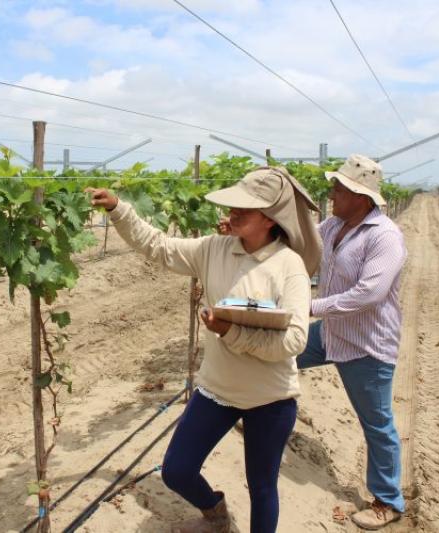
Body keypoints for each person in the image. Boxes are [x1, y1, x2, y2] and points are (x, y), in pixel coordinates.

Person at [87, 167, 322, 533]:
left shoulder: (289, 266)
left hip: (270, 398)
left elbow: (293, 341)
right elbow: (159, 246)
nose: (233, 212)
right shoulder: (214, 248)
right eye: (233, 206)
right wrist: (120, 210)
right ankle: (215, 513)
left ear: (270, 219)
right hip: (218, 389)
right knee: (176, 470)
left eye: (245, 208)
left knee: (262, 488)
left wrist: (230, 332)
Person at [298, 154, 408, 530]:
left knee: (377, 424)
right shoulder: (333, 226)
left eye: (339, 189)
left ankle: (387, 501)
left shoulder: (385, 236)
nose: (332, 194)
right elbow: (303, 241)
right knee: (278, 354)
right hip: (331, 333)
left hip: (365, 345)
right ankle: (264, 412)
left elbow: (369, 294)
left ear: (361, 197)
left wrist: (311, 305)